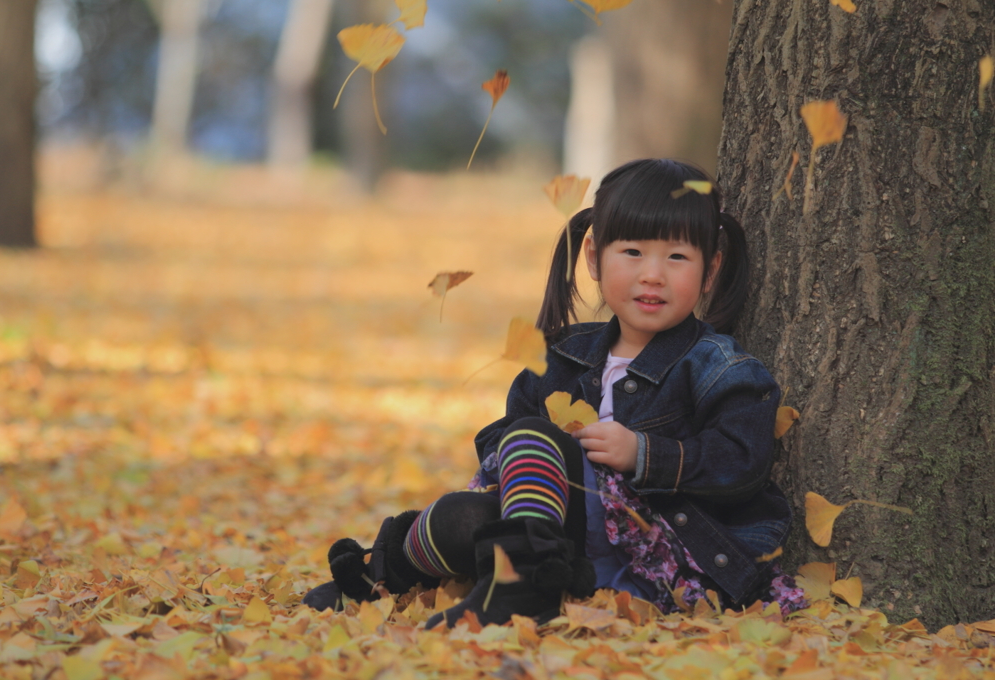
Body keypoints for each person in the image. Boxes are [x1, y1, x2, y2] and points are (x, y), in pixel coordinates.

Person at [304, 159, 806, 627]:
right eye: (632, 252)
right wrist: (545, 453)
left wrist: (644, 454)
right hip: (562, 540)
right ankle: (385, 578)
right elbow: (501, 445)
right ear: (593, 257)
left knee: (531, 436)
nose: (652, 273)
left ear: (710, 270)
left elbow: (743, 461)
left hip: (657, 558)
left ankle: (521, 587)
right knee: (462, 514)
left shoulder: (719, 366)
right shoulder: (562, 355)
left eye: (677, 257)